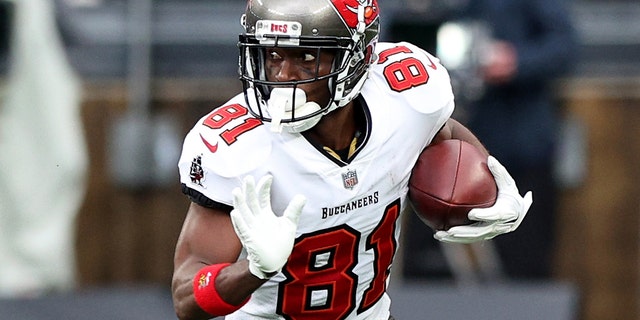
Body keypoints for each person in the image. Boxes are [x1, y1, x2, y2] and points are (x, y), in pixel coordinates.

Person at [171, 1, 532, 319]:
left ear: (357, 57)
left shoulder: (405, 97)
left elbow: (443, 130)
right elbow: (185, 296)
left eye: (307, 57)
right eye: (273, 55)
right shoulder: (238, 148)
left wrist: (491, 179)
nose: (283, 76)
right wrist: (254, 271)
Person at [454, 0, 577, 279]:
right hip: (465, 154)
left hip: (523, 150)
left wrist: (516, 61)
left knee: (525, 261)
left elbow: (565, 46)